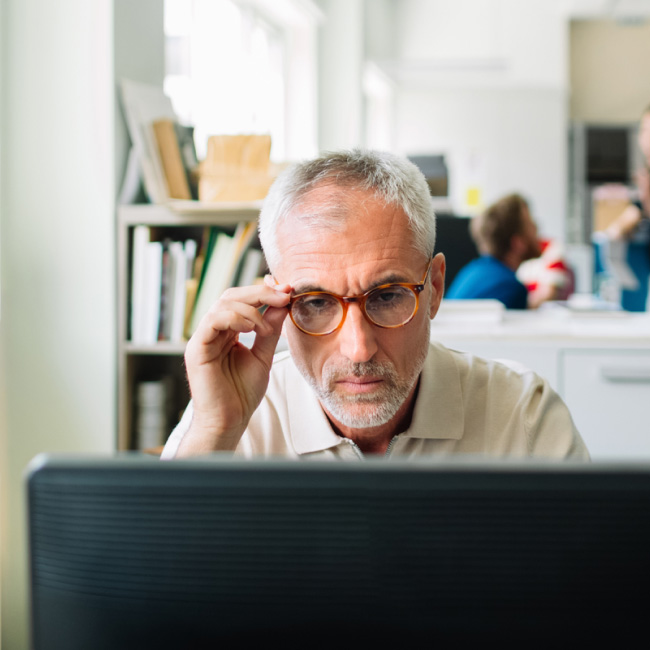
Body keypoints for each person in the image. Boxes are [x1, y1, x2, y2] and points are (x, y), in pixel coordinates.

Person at [162, 150, 588, 460]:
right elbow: (159, 580)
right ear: (275, 303)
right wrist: (215, 430)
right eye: (315, 302)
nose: (358, 349)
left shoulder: (522, 417)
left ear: (435, 288)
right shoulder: (233, 416)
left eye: (386, 297)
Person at [446, 194, 554, 309]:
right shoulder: (511, 288)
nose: (537, 227)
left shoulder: (472, 270)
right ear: (517, 243)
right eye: (530, 223)